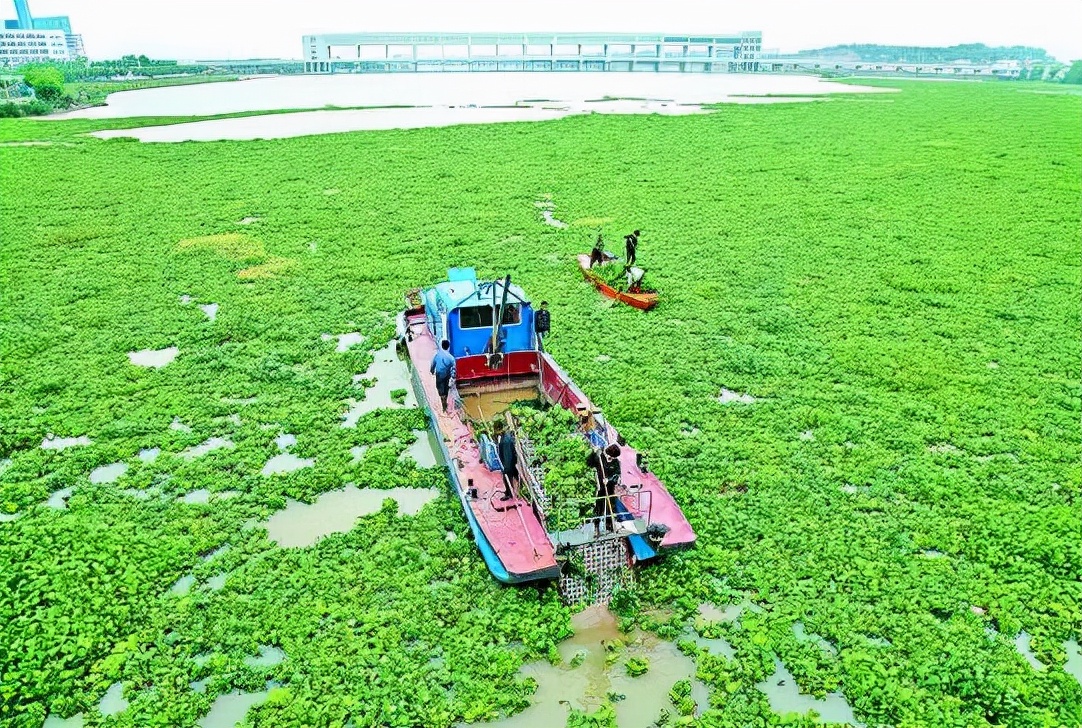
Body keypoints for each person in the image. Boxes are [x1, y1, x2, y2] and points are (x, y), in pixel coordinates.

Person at [587, 444, 622, 536]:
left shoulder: (616, 462)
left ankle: (609, 525)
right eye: (609, 456)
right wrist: (593, 453)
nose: (610, 458)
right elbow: (589, 463)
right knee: (599, 508)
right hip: (601, 488)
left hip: (610, 488)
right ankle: (596, 527)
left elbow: (617, 475)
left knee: (611, 507)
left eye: (613, 457)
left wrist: (609, 479)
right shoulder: (600, 458)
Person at [430, 339, 455, 413]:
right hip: (447, 375)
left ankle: (443, 403)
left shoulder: (438, 355)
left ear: (442, 346)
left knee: (440, 388)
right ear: (448, 347)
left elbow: (433, 363)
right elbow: (454, 369)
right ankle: (445, 401)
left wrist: (431, 370)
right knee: (446, 388)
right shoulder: (451, 358)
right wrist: (453, 377)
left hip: (439, 374)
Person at [495, 422, 519, 500]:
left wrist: (506, 467)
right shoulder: (504, 436)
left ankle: (509, 494)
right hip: (508, 461)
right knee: (508, 477)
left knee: (507, 477)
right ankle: (508, 491)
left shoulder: (505, 440)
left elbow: (507, 455)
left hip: (508, 463)